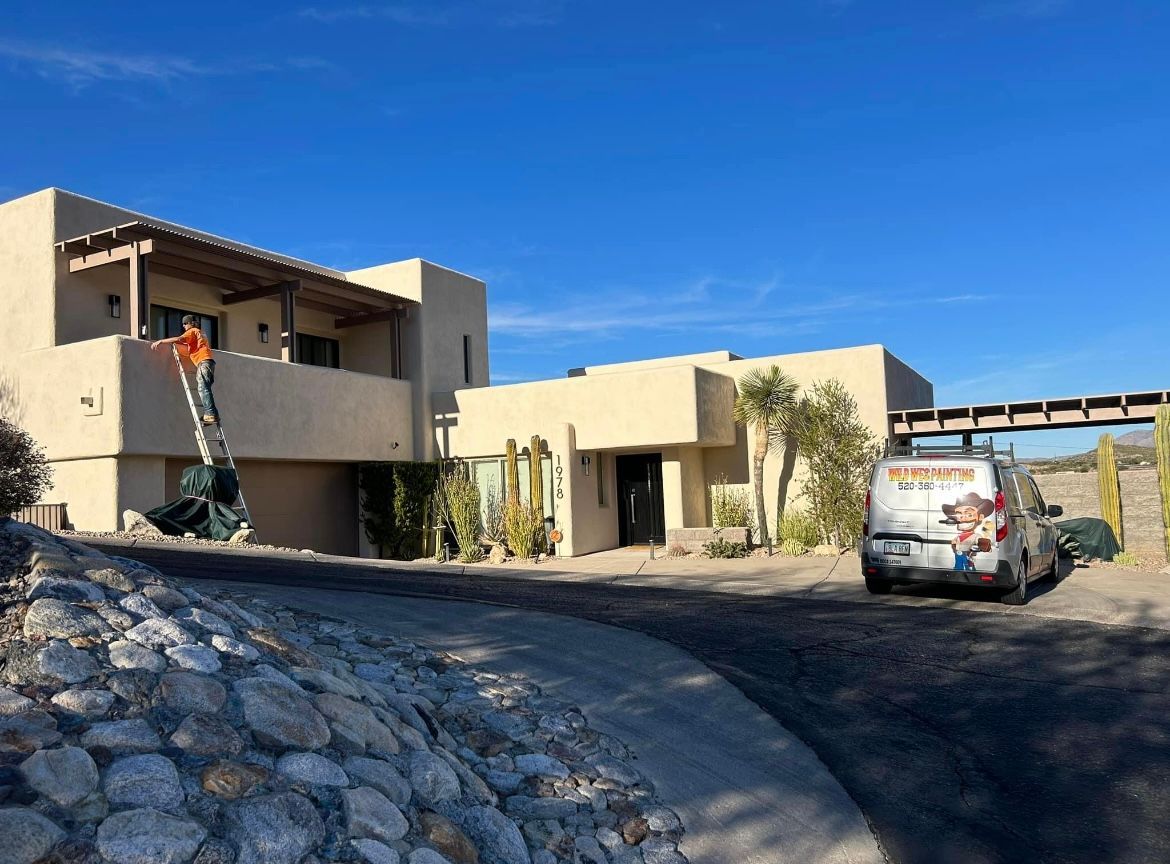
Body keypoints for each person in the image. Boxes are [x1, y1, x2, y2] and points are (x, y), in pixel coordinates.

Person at [151, 314, 219, 424]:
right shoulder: (200, 332)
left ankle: (210, 414)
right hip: (209, 362)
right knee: (206, 389)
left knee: (203, 389)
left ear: (190, 323)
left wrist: (161, 341)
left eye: (185, 324)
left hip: (203, 362)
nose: (183, 326)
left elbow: (179, 339)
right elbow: (190, 346)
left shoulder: (192, 331)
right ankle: (212, 413)